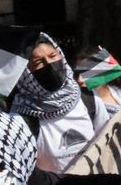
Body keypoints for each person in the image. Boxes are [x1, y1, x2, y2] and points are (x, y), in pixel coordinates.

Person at [12, 34, 107, 173]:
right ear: (26, 73)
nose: (49, 64)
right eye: (38, 62)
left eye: (52, 56)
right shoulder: (21, 119)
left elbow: (107, 144)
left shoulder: (89, 100)